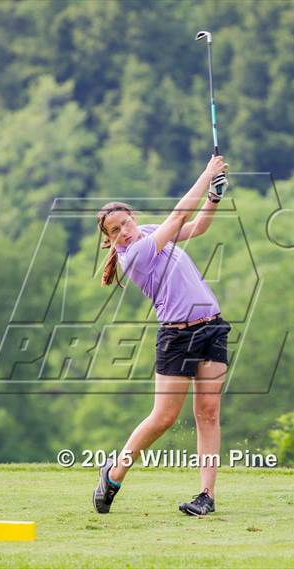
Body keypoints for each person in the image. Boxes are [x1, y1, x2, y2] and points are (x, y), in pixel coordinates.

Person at [93, 155, 231, 516]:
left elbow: (197, 226)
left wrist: (214, 196)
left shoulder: (149, 232)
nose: (124, 231)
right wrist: (206, 173)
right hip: (177, 337)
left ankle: (206, 496)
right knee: (164, 417)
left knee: (209, 412)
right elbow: (180, 215)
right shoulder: (134, 254)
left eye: (126, 222)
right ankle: (115, 471)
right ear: (109, 241)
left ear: (133, 217)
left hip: (212, 327)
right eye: (115, 231)